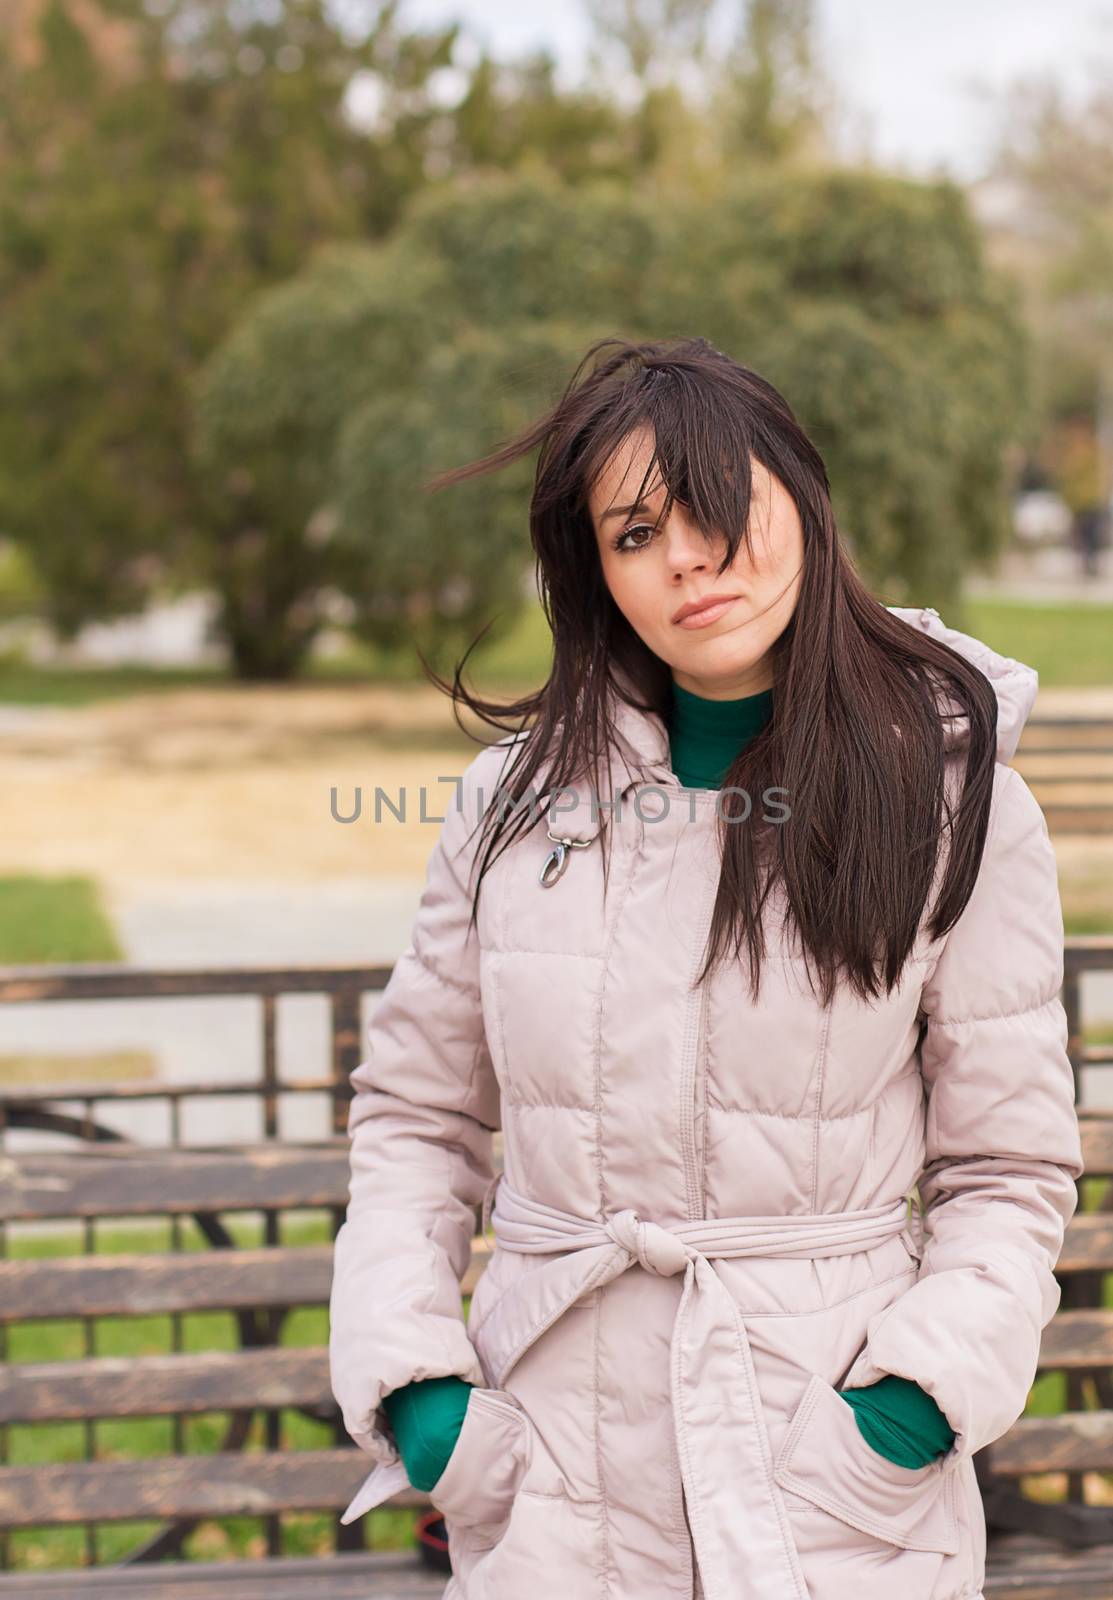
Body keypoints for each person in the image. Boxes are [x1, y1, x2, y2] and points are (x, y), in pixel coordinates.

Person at [328, 336, 1083, 1600]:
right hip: (555, 1476)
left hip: (829, 1483)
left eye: (718, 507)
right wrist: (426, 1401)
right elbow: (416, 1119)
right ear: (594, 573)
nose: (685, 557)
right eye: (633, 534)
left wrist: (904, 1411)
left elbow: (1007, 1168)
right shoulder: (510, 809)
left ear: (801, 497)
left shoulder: (955, 804)